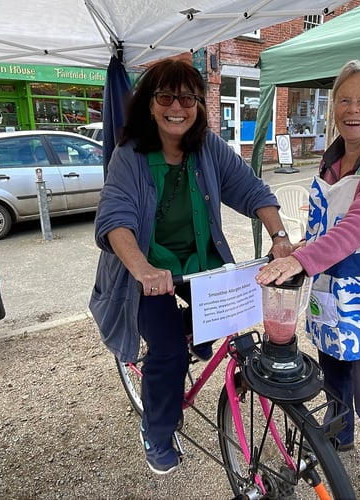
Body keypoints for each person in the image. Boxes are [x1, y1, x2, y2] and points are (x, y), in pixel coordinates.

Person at [89, 58, 292, 475]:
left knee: (229, 317)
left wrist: (279, 238)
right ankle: (157, 431)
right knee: (167, 352)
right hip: (147, 275)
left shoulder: (208, 147)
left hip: (200, 263)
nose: (176, 106)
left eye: (188, 97)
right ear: (150, 103)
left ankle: (191, 331)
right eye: (166, 96)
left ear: (200, 105)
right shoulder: (129, 156)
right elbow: (114, 220)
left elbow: (251, 189)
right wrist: (144, 269)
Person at [256, 60, 360, 500]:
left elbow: (358, 226)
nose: (353, 108)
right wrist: (293, 248)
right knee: (335, 379)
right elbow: (322, 227)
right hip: (331, 293)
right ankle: (338, 439)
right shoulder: (330, 158)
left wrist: (301, 262)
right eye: (344, 99)